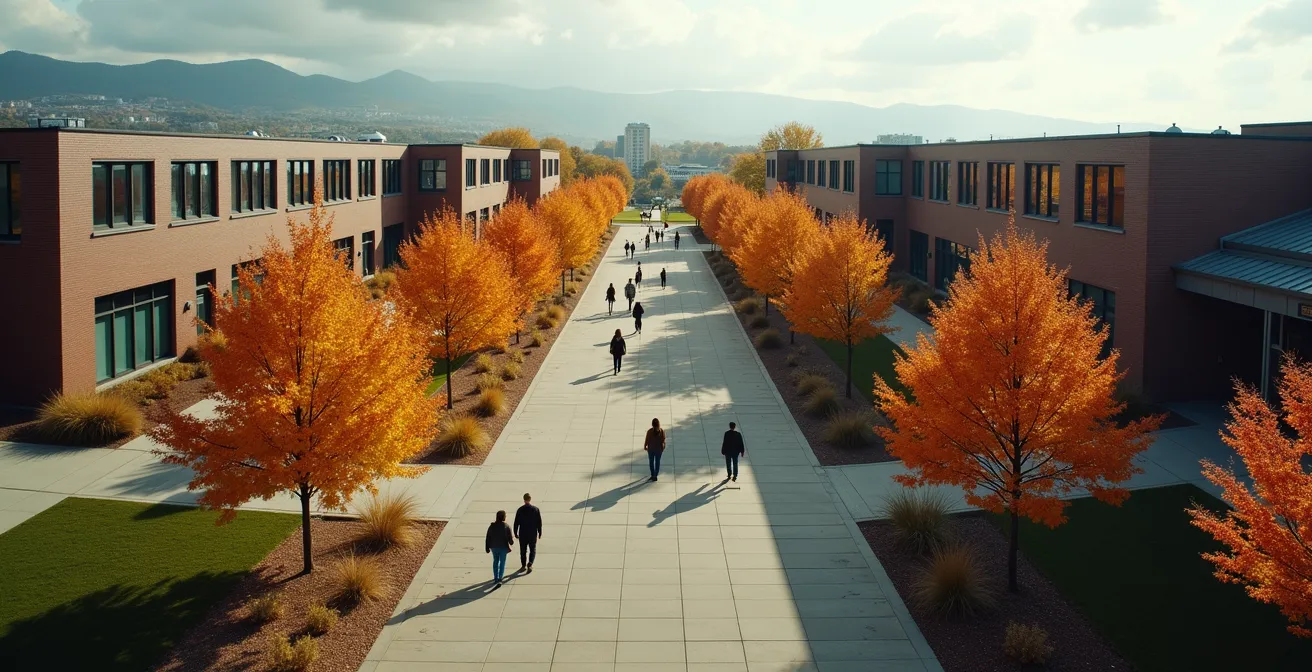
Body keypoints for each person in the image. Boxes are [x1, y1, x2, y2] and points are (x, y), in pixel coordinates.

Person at [514, 493, 543, 572]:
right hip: (532, 533)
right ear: (530, 499)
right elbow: (539, 522)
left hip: (523, 533)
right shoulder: (535, 509)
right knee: (532, 549)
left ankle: (523, 565)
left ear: (524, 499)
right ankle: (530, 564)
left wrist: (515, 532)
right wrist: (540, 532)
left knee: (523, 550)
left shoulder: (520, 510)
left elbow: (516, 522)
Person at [485, 510, 513, 585]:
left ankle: (495, 577)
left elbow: (488, 537)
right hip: (503, 547)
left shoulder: (492, 526)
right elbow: (509, 537)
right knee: (502, 562)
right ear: (503, 517)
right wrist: (511, 542)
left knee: (495, 561)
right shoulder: (506, 526)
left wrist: (487, 547)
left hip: (494, 547)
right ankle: (500, 578)